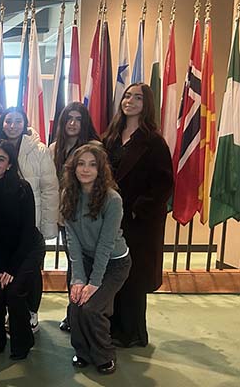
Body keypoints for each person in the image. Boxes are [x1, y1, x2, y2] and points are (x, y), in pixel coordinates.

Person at [102, 83, 173, 348]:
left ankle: (131, 333)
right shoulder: (111, 136)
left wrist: (136, 209)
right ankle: (109, 328)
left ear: (147, 104)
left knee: (132, 278)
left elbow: (164, 184)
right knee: (111, 275)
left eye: (138, 97)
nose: (130, 100)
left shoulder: (153, 141)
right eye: (127, 95)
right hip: (110, 218)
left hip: (137, 223)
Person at [62, 142, 131, 375]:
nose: (85, 169)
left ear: (101, 169)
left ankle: (104, 354)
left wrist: (94, 283)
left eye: (92, 165)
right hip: (86, 258)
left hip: (114, 262)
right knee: (76, 303)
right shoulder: (68, 195)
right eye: (80, 164)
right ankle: (82, 351)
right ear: (73, 168)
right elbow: (72, 242)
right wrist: (79, 279)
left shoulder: (112, 199)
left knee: (92, 308)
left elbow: (105, 245)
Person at [0, 140, 45, 360]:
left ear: (9, 164)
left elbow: (27, 231)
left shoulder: (22, 188)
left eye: (0, 159)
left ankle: (23, 341)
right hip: (1, 254)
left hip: (28, 250)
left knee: (14, 293)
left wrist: (11, 269)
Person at [0, 107, 59, 332]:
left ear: (25, 123)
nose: (12, 125)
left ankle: (31, 312)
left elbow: (50, 188)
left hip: (32, 223)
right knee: (3, 269)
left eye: (17, 121)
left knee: (30, 272)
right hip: (3, 225)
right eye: (8, 121)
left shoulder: (39, 150)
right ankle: (7, 312)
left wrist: (46, 226)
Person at [48, 102, 100, 333]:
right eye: (68, 118)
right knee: (74, 265)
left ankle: (88, 315)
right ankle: (74, 312)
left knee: (88, 267)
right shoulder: (53, 149)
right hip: (64, 217)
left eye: (78, 119)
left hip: (89, 218)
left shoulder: (95, 148)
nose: (72, 123)